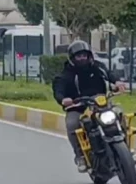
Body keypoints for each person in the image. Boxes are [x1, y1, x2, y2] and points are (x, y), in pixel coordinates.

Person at [52, 40, 126, 173]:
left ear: (89, 55)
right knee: (72, 124)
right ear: (73, 58)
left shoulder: (97, 67)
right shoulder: (67, 74)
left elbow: (109, 74)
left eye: (84, 55)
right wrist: (63, 99)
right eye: (79, 56)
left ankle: (125, 145)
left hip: (100, 104)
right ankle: (80, 156)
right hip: (78, 106)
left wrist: (117, 82)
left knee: (119, 113)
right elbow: (59, 88)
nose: (82, 58)